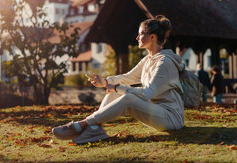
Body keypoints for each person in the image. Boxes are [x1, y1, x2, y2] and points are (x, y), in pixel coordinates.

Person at [52, 15, 185, 144]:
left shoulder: (165, 62)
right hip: (154, 111)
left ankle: (83, 124)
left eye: (140, 34)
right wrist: (106, 82)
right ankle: (95, 129)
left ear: (152, 37)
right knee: (116, 91)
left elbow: (148, 93)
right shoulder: (148, 60)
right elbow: (127, 78)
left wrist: (117, 87)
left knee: (127, 97)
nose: (137, 37)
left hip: (171, 118)